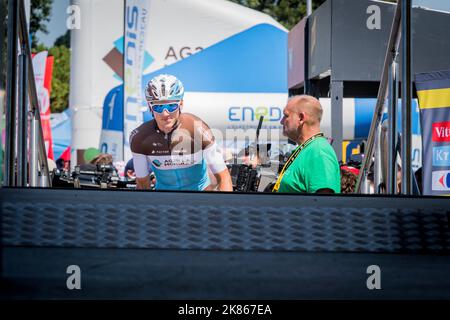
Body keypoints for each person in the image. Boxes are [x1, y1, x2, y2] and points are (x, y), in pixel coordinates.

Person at [130, 74, 233, 191]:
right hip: (164, 200)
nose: (165, 114)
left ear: (181, 104)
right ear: (149, 107)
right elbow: (143, 185)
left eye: (171, 106)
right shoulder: (139, 138)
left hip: (201, 196)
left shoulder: (197, 129)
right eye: (158, 107)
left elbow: (224, 178)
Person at [273, 95, 340, 193]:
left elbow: (324, 203)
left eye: (286, 116)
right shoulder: (306, 149)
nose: (281, 121)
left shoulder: (319, 151)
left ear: (301, 118)